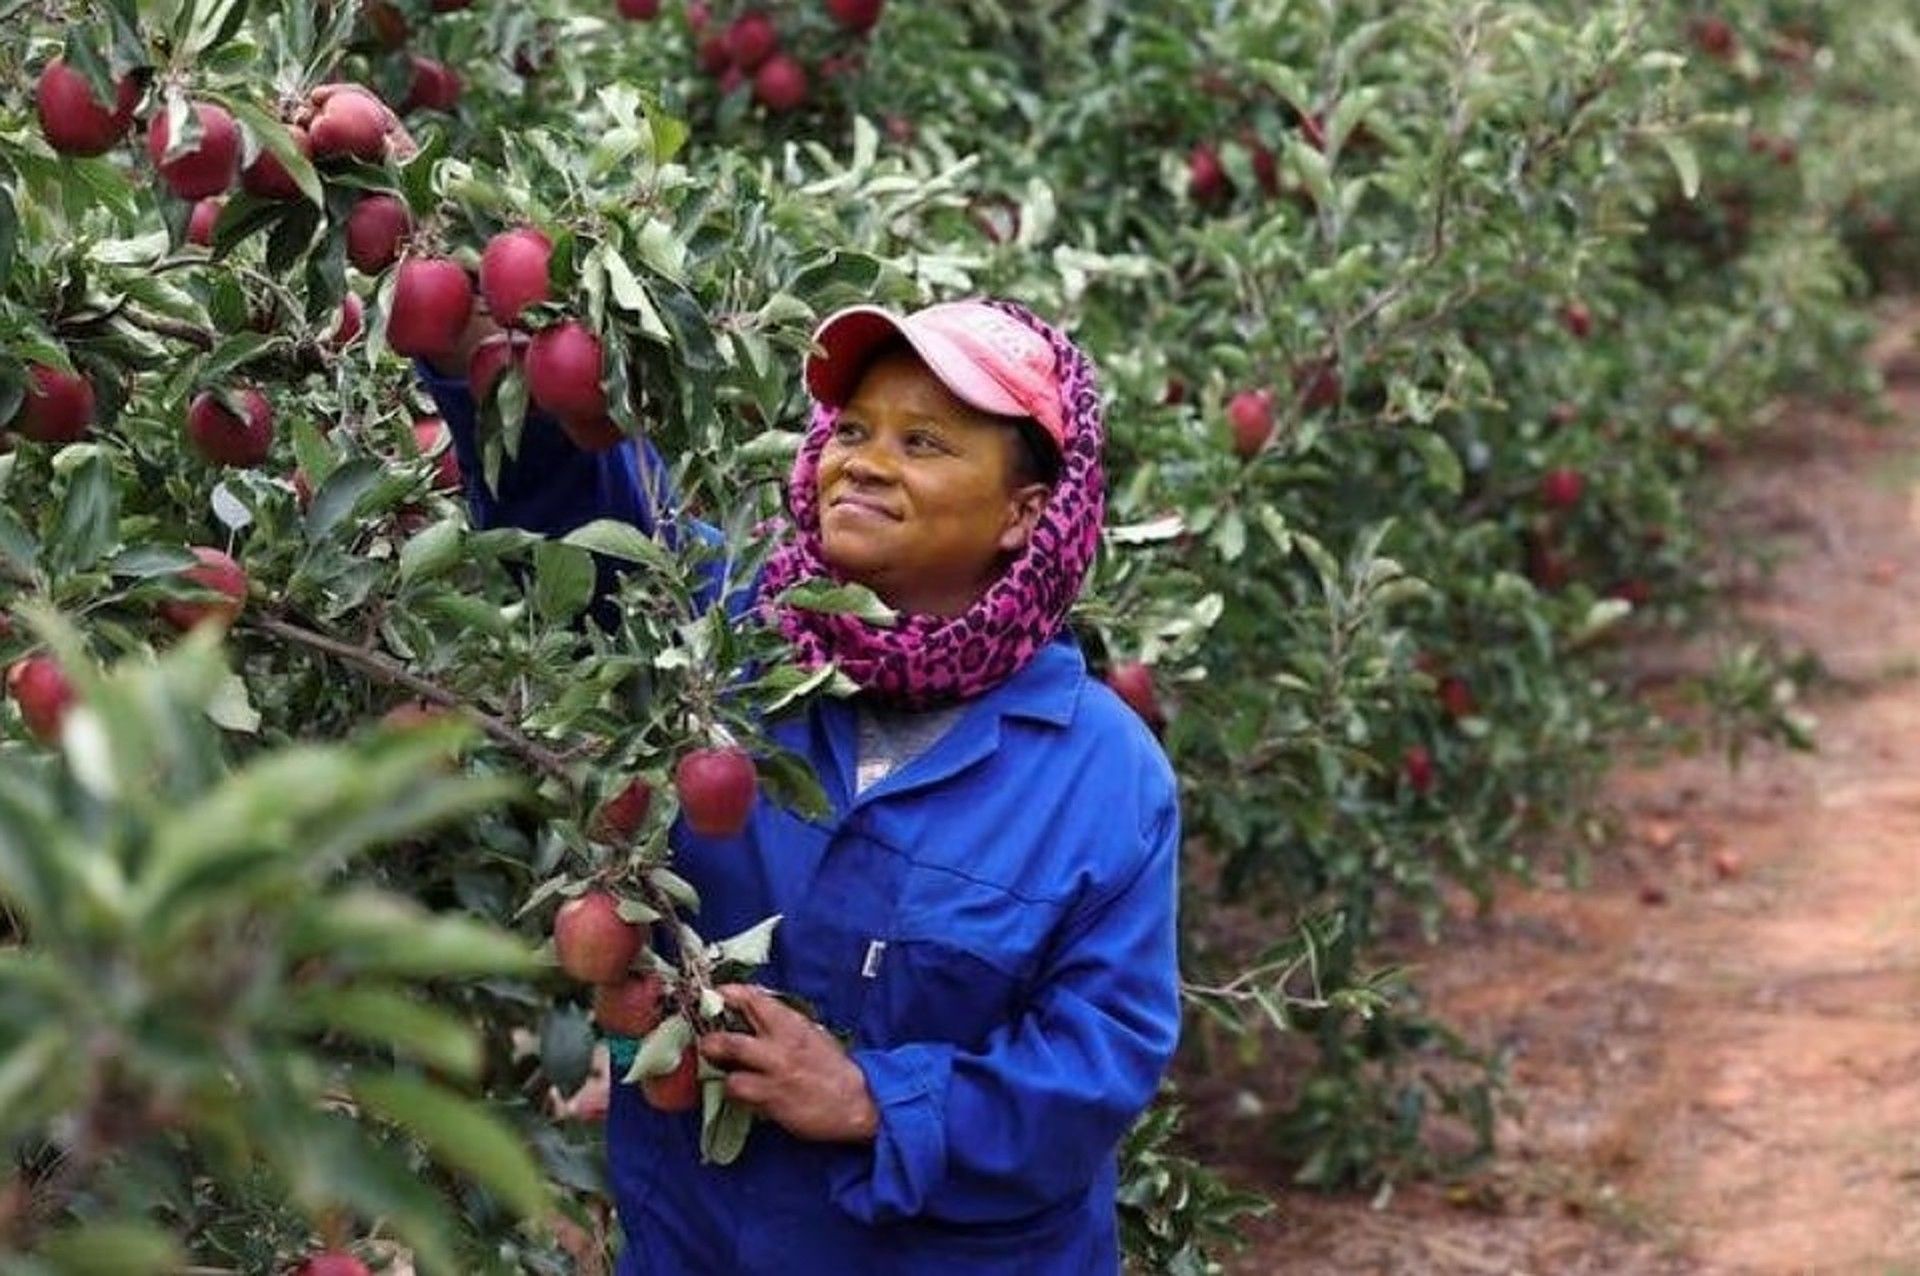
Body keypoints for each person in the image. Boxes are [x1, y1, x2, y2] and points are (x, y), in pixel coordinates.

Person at [417, 297, 1181, 1274]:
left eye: (925, 442)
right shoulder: (729, 639)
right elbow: (583, 517)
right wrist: (484, 348)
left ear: (1023, 511)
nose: (863, 459)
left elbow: (1094, 1069)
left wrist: (875, 1099)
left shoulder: (1103, 779)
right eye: (851, 429)